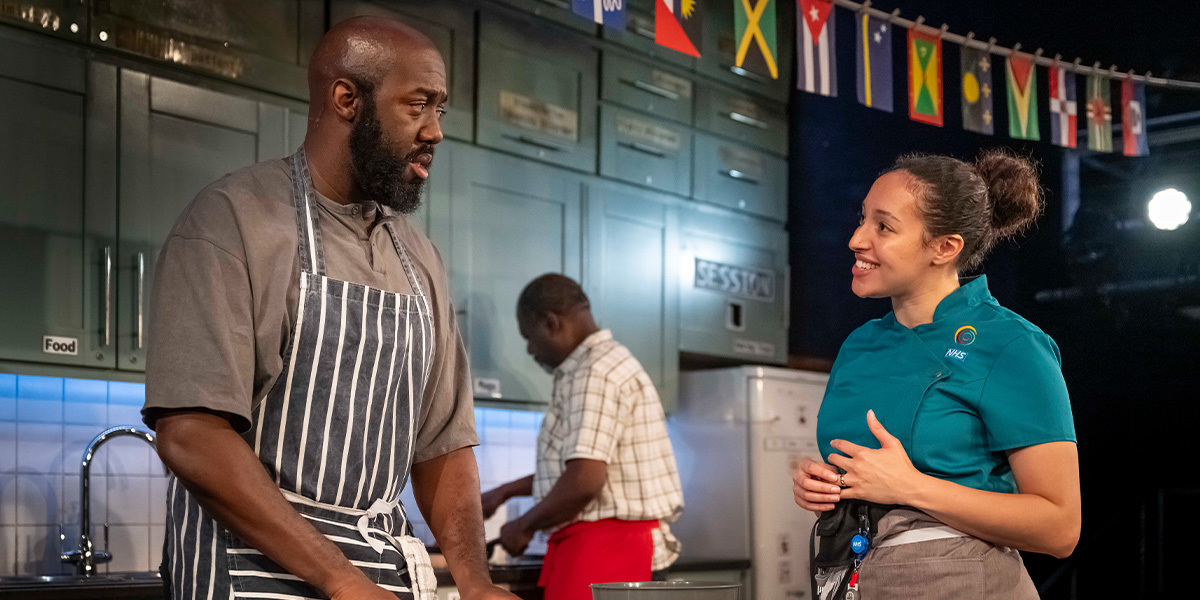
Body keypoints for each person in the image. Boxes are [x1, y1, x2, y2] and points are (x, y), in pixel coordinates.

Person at [142, 17, 514, 600]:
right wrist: (338, 578)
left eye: (441, 109)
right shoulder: (232, 221)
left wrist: (474, 580)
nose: (435, 131)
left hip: (377, 577)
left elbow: (442, 445)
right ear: (347, 100)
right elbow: (191, 434)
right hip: (249, 576)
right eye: (418, 105)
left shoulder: (419, 256)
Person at [793, 150, 1081, 599]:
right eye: (862, 219)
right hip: (852, 577)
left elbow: (1060, 528)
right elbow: (870, 477)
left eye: (883, 227)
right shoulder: (860, 344)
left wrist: (911, 487)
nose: (856, 238)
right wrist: (828, 490)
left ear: (944, 248)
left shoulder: (1011, 344)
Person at [480, 274, 684, 600]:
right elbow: (578, 469)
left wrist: (524, 526)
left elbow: (585, 479)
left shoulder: (595, 371)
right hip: (603, 551)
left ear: (551, 323)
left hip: (612, 554)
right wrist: (503, 493)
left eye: (528, 337)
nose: (530, 350)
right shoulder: (597, 366)